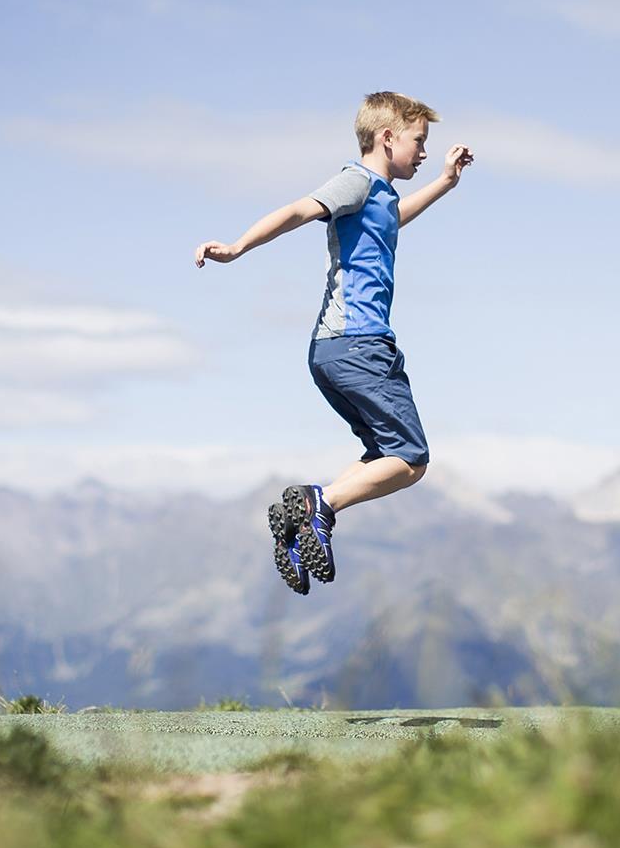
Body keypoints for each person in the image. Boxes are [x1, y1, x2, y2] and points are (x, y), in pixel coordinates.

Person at [195, 91, 474, 591]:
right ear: (388, 139)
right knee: (411, 459)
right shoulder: (356, 181)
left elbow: (392, 220)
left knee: (381, 457)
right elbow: (300, 210)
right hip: (361, 345)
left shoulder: (379, 196)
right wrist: (238, 247)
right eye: (419, 142)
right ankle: (317, 506)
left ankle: (306, 527)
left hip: (331, 352)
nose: (425, 152)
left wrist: (445, 184)